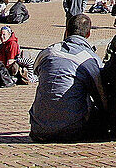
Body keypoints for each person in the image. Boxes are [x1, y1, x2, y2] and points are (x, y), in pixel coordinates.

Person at [30, 14, 107, 142]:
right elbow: (101, 95)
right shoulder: (88, 58)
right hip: (73, 131)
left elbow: (36, 71)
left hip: (39, 128)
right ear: (88, 34)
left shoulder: (48, 52)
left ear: (66, 31)